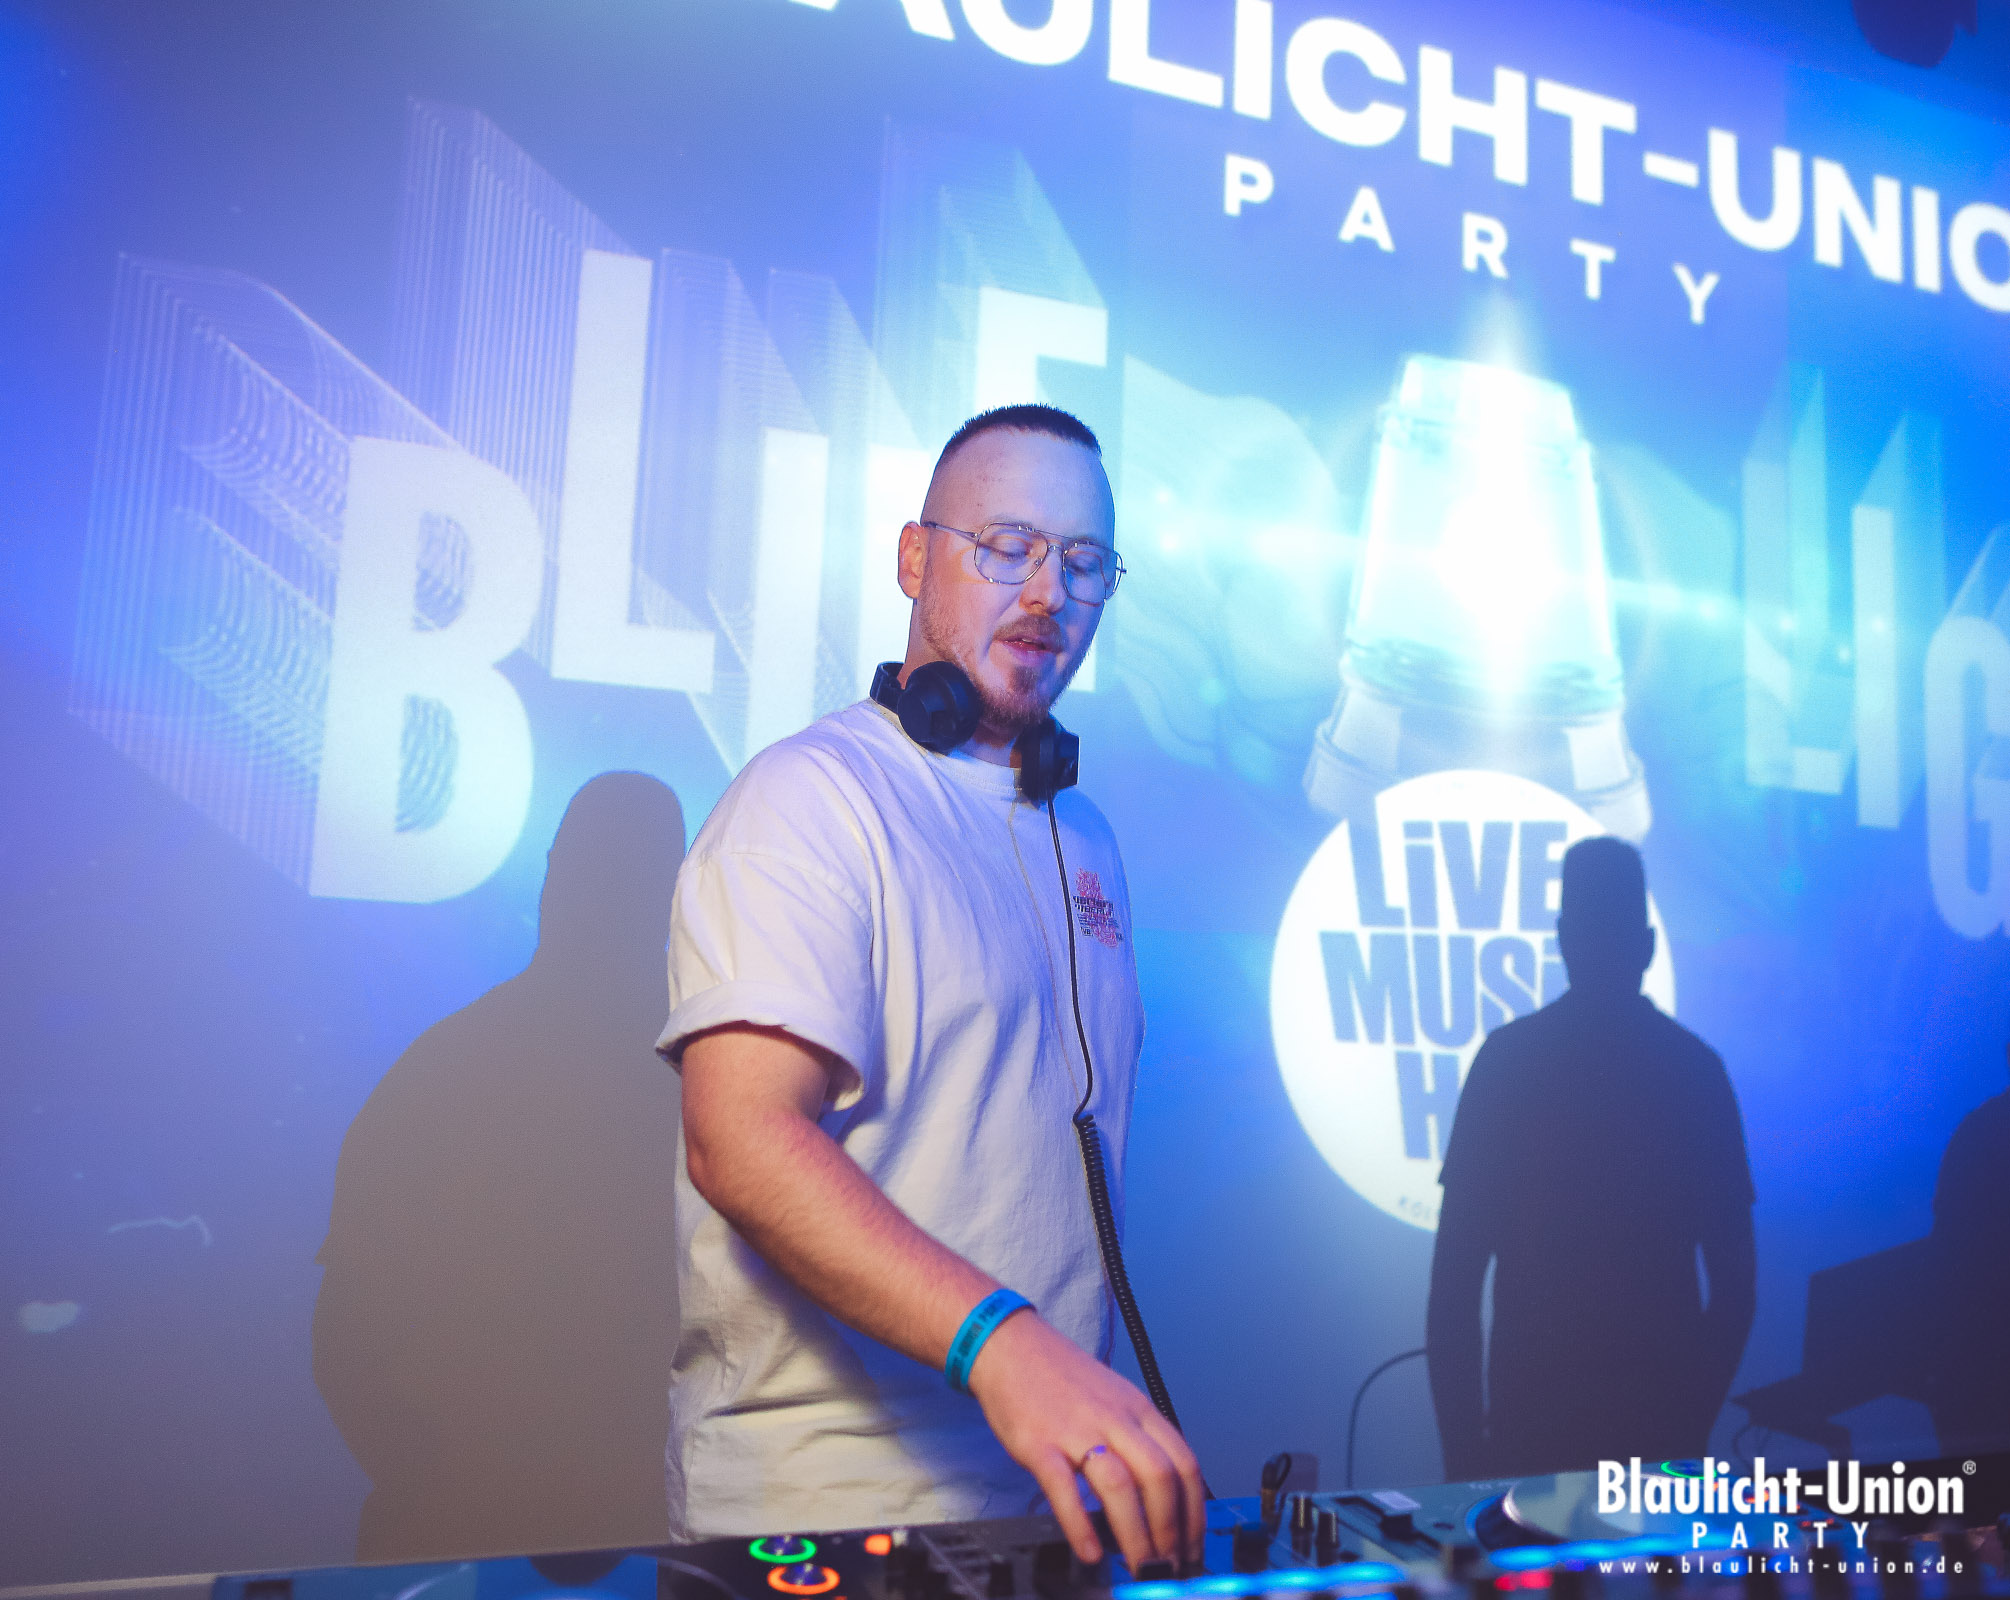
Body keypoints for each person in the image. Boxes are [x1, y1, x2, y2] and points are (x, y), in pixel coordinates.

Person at [658, 405, 1203, 1570]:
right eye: (1007, 547)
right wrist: (1006, 1345)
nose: (1048, 592)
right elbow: (738, 1138)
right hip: (826, 1506)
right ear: (915, 558)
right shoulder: (809, 800)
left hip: (1044, 1507)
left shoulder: (1083, 836)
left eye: (1085, 562)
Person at [1426, 836, 1755, 1480]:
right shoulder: (1696, 1072)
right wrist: (1686, 1430)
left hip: (1530, 1438)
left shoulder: (1507, 1064)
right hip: (1656, 1433)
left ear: (1562, 940)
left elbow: (1453, 1289)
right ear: (1648, 946)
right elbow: (1736, 1291)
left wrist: (1464, 1457)